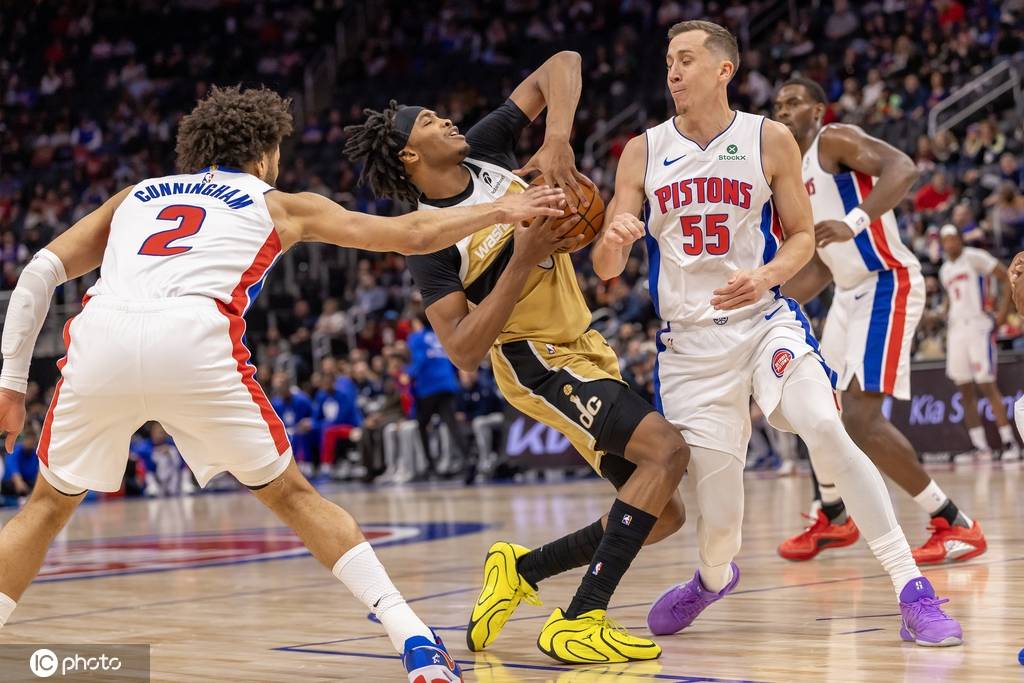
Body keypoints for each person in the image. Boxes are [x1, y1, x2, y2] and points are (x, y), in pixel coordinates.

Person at [0, 84, 566, 683]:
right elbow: (414, 234)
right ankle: (415, 639)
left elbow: (39, 273)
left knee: (47, 507)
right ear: (265, 152)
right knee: (294, 498)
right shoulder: (281, 204)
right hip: (194, 337)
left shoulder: (135, 196)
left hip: (101, 340)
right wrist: (505, 210)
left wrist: (11, 387)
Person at [591, 21, 961, 646]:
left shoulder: (770, 138)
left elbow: (801, 238)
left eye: (686, 60)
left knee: (825, 424)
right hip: (689, 351)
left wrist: (766, 276)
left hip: (764, 324)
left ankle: (912, 590)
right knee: (720, 530)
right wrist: (613, 238)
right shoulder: (641, 151)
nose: (673, 72)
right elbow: (605, 268)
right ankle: (712, 580)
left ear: (724, 70)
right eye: (669, 60)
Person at [345, 50, 689, 664]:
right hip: (534, 361)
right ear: (409, 156)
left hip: (584, 344)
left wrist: (556, 141)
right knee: (666, 451)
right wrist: (523, 260)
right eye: (427, 122)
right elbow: (463, 350)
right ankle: (580, 620)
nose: (445, 120)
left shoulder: (485, 149)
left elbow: (564, 63)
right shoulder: (429, 240)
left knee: (662, 513)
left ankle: (520, 570)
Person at [773, 77, 988, 565]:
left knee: (860, 419)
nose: (783, 111)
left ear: (817, 110)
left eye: (794, 102)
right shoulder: (791, 175)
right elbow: (821, 267)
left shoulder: (833, 140)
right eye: (778, 104)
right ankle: (833, 514)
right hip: (847, 292)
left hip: (888, 282)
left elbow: (903, 168)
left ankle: (954, 521)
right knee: (814, 405)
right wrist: (764, 299)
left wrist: (853, 221)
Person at [938, 225, 1019, 460]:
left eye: (953, 238)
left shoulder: (975, 257)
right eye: (946, 240)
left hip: (978, 326)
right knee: (964, 389)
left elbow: (1006, 277)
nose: (950, 243)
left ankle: (1009, 442)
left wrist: (1003, 312)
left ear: (960, 239)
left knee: (987, 384)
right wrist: (943, 311)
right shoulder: (944, 270)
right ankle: (980, 447)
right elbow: (952, 298)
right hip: (956, 329)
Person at [407, 314, 469, 478]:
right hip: (447, 383)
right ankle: (468, 460)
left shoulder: (416, 338)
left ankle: (430, 466)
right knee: (452, 425)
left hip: (429, 386)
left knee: (422, 425)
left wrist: (409, 374)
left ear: (417, 322)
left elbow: (420, 360)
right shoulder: (439, 335)